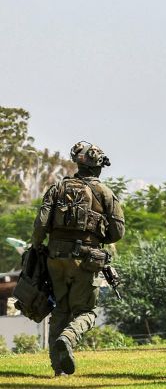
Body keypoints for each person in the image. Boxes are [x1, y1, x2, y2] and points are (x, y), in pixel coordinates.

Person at [30, 141, 126, 377]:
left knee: (61, 309)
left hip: (55, 258)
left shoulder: (56, 189)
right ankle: (68, 338)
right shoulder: (104, 192)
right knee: (87, 311)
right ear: (98, 168)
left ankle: (58, 369)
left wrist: (37, 247)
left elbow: (40, 225)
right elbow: (118, 232)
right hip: (85, 260)